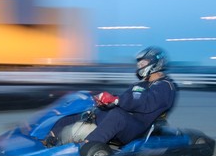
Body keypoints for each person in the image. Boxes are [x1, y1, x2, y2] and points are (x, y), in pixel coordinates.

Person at [48, 46, 177, 147]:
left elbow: (144, 102)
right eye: (139, 64)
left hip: (138, 128)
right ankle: (49, 139)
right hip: (126, 121)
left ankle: (87, 146)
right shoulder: (140, 84)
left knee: (117, 116)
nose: (139, 66)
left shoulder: (165, 86)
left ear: (156, 63)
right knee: (85, 113)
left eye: (143, 64)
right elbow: (125, 100)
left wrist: (116, 100)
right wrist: (106, 102)